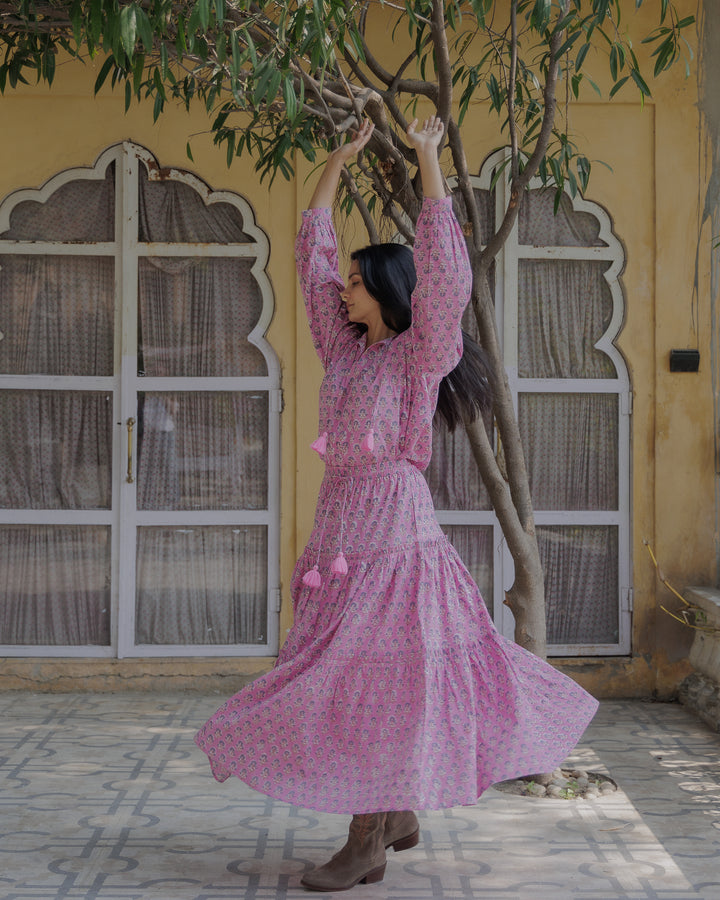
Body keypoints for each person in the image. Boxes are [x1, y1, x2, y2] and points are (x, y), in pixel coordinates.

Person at [194, 117, 599, 892]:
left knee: (370, 676)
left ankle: (367, 840)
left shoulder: (419, 357)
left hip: (395, 533)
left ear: (385, 291)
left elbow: (445, 277)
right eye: (347, 279)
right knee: (355, 674)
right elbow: (309, 256)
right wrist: (335, 166)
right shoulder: (346, 352)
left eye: (356, 279)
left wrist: (427, 159)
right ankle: (395, 811)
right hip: (343, 524)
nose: (343, 286)